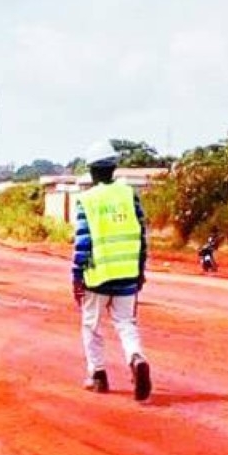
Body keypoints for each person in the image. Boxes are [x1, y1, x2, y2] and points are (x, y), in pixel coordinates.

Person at [72, 140, 152, 402]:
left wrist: (77, 276)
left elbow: (83, 242)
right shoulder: (129, 195)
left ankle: (98, 375)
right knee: (125, 323)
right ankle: (136, 358)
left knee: (91, 325)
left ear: (92, 171)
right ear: (114, 168)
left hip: (97, 275)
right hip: (128, 272)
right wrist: (140, 270)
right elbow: (141, 234)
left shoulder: (87, 200)